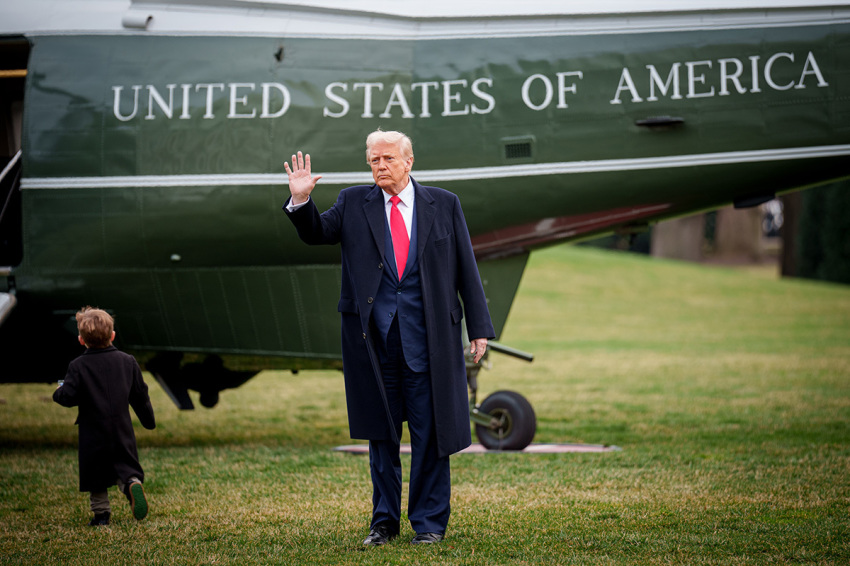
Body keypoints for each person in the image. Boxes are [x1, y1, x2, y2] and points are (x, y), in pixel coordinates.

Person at [283, 130, 495, 546]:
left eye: (387, 159)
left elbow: (465, 267)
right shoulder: (352, 202)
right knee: (381, 436)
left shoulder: (444, 204)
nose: (379, 166)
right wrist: (302, 200)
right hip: (373, 343)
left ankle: (429, 524)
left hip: (429, 341)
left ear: (408, 161)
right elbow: (317, 234)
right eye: (373, 160)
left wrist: (480, 327)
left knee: (431, 435)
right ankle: (383, 523)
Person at [53, 306, 156, 526]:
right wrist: (148, 421)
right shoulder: (128, 361)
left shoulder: (78, 366)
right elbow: (140, 394)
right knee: (124, 464)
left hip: (92, 430)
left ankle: (101, 515)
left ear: (81, 339)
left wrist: (59, 389)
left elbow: (68, 396)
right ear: (112, 335)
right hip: (121, 428)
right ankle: (130, 485)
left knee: (95, 473)